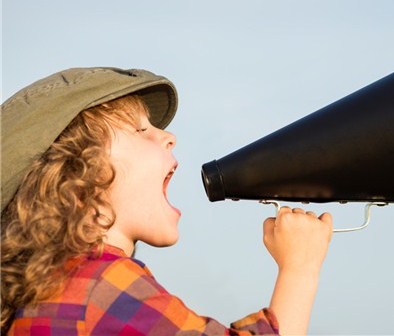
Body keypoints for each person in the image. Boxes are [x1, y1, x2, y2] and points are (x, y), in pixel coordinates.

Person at [0, 67, 333, 335]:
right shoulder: (99, 287)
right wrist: (300, 268)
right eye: (140, 131)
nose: (168, 136)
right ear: (77, 174)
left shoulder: (46, 292)